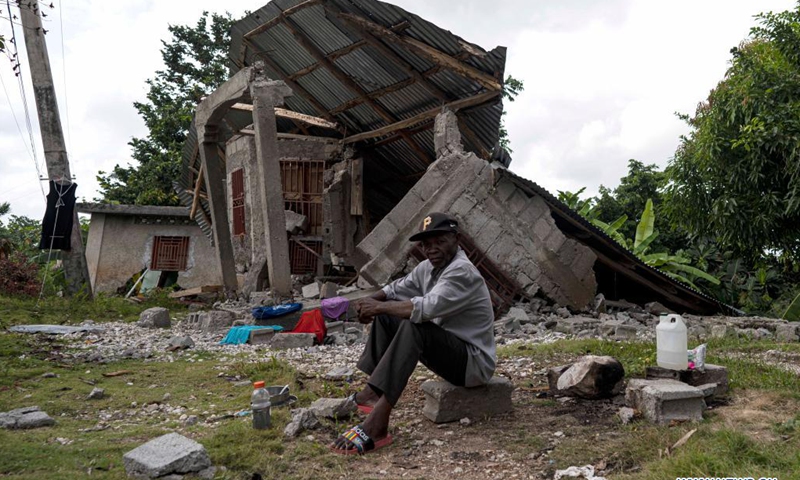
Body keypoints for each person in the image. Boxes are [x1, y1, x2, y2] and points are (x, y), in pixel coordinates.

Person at [331, 212, 496, 455]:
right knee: (389, 313)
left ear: (456, 239)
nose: (432, 249)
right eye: (426, 244)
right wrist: (367, 304)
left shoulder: (462, 271)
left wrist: (377, 307)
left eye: (439, 241)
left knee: (413, 324)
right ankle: (371, 394)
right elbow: (393, 290)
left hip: (472, 364)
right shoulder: (427, 268)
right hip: (448, 351)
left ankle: (377, 425)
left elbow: (423, 308)